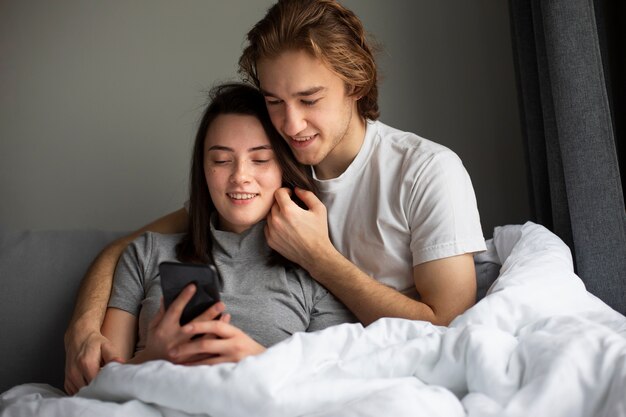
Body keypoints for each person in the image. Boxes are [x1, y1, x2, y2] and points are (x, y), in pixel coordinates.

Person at [64, 0, 486, 394]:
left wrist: (319, 258)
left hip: (391, 379)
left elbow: (448, 329)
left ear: (355, 84)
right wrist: (83, 327)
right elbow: (126, 250)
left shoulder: (426, 170)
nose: (290, 123)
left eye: (309, 99)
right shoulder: (268, 176)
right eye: (274, 102)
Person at [98, 82, 354, 371]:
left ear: (284, 168)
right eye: (221, 160)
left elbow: (333, 388)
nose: (240, 176)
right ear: (204, 169)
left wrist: (258, 360)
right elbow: (99, 381)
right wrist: (152, 357)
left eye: (260, 159)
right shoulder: (145, 254)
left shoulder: (318, 274)